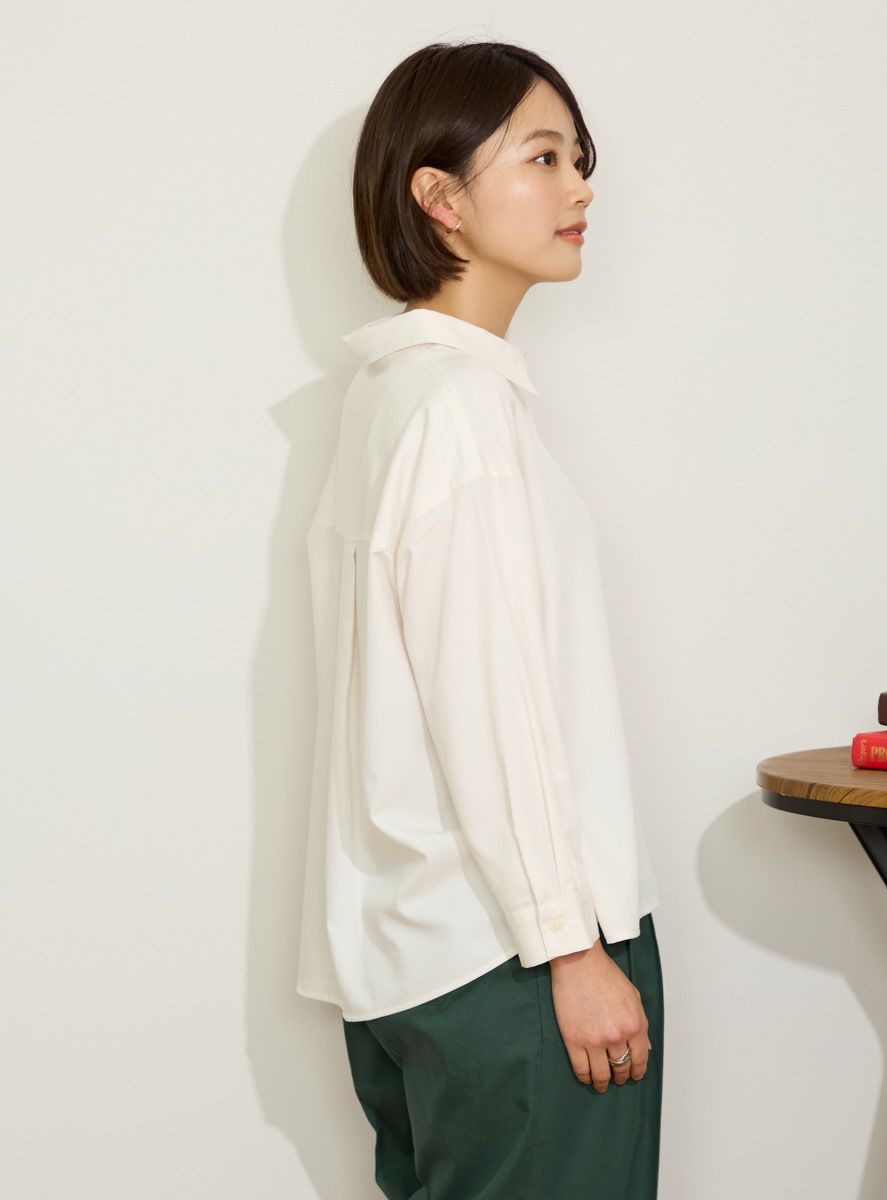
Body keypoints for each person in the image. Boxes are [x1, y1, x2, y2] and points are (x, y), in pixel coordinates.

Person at [296, 37, 665, 1199]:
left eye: (580, 158)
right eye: (543, 157)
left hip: (412, 963)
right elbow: (490, 702)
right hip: (514, 962)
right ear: (441, 197)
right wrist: (570, 944)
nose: (580, 187)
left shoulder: (390, 397)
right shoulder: (459, 409)